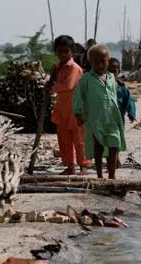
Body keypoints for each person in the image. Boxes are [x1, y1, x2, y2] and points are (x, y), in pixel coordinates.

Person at [73, 45, 126, 179]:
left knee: (114, 144)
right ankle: (100, 175)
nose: (101, 64)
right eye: (97, 62)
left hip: (112, 117)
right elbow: (78, 96)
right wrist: (78, 113)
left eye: (104, 61)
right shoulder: (86, 79)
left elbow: (113, 95)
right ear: (91, 62)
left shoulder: (111, 78)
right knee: (99, 146)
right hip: (95, 118)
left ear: (108, 60)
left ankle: (112, 176)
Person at [47, 35, 89, 175]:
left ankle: (83, 165)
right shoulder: (58, 67)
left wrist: (51, 85)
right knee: (64, 140)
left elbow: (68, 85)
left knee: (79, 139)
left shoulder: (74, 68)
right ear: (56, 52)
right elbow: (56, 85)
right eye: (59, 51)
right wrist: (51, 79)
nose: (63, 54)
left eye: (66, 51)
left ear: (72, 51)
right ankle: (70, 165)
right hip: (62, 108)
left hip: (76, 109)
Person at [108, 57, 136, 169]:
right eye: (110, 69)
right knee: (107, 140)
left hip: (119, 118)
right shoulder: (100, 85)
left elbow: (129, 101)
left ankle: (116, 158)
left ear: (118, 72)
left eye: (115, 70)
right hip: (105, 118)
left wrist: (131, 113)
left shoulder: (122, 87)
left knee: (117, 139)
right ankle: (111, 160)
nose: (112, 72)